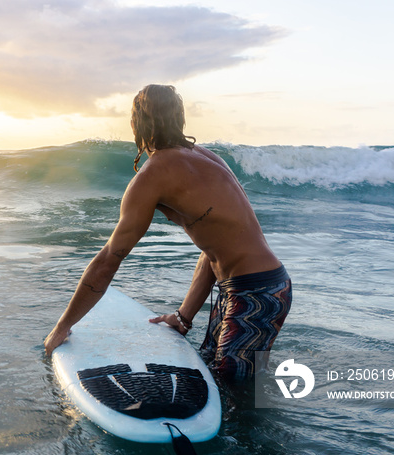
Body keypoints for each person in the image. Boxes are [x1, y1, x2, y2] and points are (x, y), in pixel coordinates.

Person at [44, 84, 291, 381]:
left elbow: (110, 258)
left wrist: (62, 326)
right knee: (220, 380)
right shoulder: (207, 157)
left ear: (137, 124)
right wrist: (184, 317)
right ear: (179, 118)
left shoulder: (153, 175)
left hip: (254, 293)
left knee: (240, 395)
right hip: (260, 287)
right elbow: (213, 250)